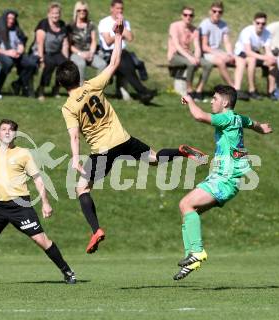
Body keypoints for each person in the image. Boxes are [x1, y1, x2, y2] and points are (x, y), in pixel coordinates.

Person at [57, 15, 207, 254]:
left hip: (102, 151)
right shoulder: (93, 85)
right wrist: (117, 35)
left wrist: (75, 158)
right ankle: (181, 152)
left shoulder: (68, 107)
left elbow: (74, 136)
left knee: (82, 188)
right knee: (155, 158)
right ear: (78, 76)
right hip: (124, 140)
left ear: (62, 85)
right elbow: (115, 62)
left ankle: (95, 229)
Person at [0, 119, 76, 285]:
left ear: (15, 134)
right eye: (4, 129)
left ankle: (68, 272)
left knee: (41, 240)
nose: (8, 132)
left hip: (20, 205)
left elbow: (37, 179)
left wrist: (45, 202)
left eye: (11, 129)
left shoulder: (23, 153)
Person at [174, 85, 272, 280]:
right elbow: (251, 123)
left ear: (225, 102)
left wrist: (190, 100)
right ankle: (191, 257)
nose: (211, 101)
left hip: (224, 178)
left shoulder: (226, 117)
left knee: (186, 204)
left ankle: (196, 253)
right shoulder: (238, 118)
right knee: (189, 211)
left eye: (214, 98)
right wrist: (262, 129)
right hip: (226, 178)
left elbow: (200, 116)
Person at [98, 0, 156, 104]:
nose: (120, 11)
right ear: (111, 9)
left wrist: (121, 26)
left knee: (130, 65)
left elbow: (130, 38)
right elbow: (107, 42)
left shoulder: (125, 22)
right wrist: (119, 33)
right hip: (109, 53)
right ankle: (142, 92)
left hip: (122, 51)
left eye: (121, 9)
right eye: (117, 8)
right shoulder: (104, 22)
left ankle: (142, 92)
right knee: (126, 66)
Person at [167, 6, 213, 101]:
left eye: (190, 15)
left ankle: (199, 90)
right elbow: (177, 45)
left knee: (208, 65)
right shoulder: (174, 26)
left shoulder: (195, 30)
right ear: (182, 16)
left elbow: (197, 46)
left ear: (193, 17)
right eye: (185, 15)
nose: (188, 17)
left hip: (188, 55)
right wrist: (190, 58)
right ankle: (189, 90)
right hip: (174, 55)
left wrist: (196, 57)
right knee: (191, 63)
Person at [0, 9, 37, 97]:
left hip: (16, 53)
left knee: (31, 63)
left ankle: (18, 83)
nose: (11, 21)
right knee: (8, 63)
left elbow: (21, 41)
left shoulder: (16, 29)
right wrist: (7, 52)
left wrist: (20, 50)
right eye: (9, 18)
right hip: (1, 52)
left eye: (13, 19)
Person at [233, 12, 277, 100]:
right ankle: (252, 90)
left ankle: (271, 92)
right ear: (254, 22)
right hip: (241, 52)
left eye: (263, 23)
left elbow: (267, 50)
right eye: (258, 23)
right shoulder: (247, 31)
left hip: (254, 53)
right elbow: (248, 51)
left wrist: (272, 57)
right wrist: (265, 57)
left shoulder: (267, 33)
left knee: (272, 63)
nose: (260, 25)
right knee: (252, 60)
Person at [30, 3, 69, 101]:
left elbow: (65, 44)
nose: (55, 15)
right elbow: (40, 43)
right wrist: (41, 58)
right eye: (53, 13)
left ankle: (56, 89)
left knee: (64, 65)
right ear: (48, 14)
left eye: (57, 13)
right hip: (43, 51)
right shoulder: (43, 24)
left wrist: (66, 58)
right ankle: (41, 89)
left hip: (56, 52)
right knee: (50, 64)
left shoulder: (63, 25)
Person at [68, 1, 106, 85]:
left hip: (89, 52)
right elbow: (69, 45)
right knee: (81, 64)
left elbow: (93, 40)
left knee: (102, 64)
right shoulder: (70, 26)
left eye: (84, 10)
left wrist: (91, 53)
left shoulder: (91, 24)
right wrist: (80, 53)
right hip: (76, 53)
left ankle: (96, 89)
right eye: (79, 10)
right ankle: (81, 90)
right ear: (76, 11)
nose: (82, 12)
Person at [199, 1, 235, 88]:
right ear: (210, 11)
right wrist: (221, 54)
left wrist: (230, 54)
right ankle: (233, 87)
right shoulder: (205, 24)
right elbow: (204, 47)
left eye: (220, 12)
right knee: (220, 61)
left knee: (238, 60)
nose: (217, 14)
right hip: (205, 53)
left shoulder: (223, 25)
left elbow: (227, 42)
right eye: (214, 11)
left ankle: (243, 87)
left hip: (217, 51)